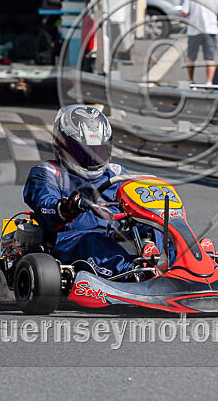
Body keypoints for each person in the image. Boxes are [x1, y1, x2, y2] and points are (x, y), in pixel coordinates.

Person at [23, 105, 139, 277]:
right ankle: (130, 275)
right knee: (93, 241)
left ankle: (182, 268)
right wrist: (70, 206)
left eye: (98, 150)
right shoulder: (47, 173)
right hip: (71, 240)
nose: (92, 159)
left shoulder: (116, 174)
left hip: (117, 236)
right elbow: (45, 207)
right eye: (83, 152)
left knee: (161, 231)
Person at [182, 0, 218, 84]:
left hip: (194, 29)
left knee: (191, 57)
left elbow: (184, 12)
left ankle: (191, 80)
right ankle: (209, 82)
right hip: (210, 29)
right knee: (210, 58)